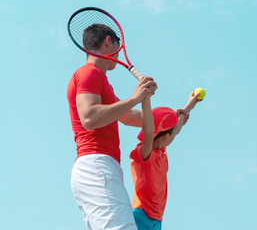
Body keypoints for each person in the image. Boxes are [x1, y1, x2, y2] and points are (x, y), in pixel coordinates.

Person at [67, 23, 157, 230]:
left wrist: (170, 118)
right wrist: (135, 98)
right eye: (118, 44)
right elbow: (89, 117)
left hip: (96, 167)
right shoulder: (89, 73)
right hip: (97, 164)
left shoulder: (100, 80)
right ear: (109, 41)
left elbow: (128, 117)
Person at [129, 89, 201, 230]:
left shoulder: (161, 148)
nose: (175, 134)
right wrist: (146, 98)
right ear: (165, 137)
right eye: (172, 133)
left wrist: (190, 104)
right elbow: (149, 132)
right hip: (142, 214)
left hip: (156, 217)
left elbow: (176, 128)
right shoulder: (145, 153)